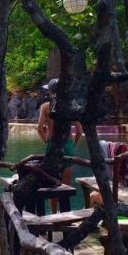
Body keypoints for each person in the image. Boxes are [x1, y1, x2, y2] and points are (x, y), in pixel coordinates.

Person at [37, 78, 83, 211]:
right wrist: (71, 145)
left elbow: (40, 129)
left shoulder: (46, 107)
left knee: (52, 184)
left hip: (52, 145)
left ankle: (53, 213)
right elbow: (79, 130)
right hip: (67, 145)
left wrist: (47, 142)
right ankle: (66, 219)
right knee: (65, 186)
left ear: (51, 92)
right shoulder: (69, 105)